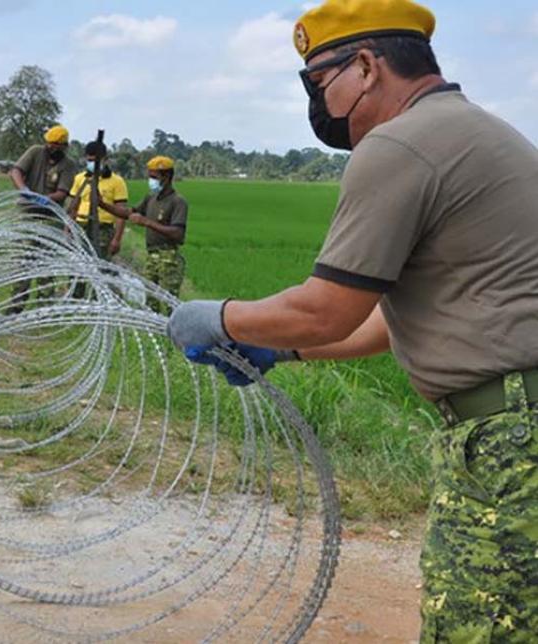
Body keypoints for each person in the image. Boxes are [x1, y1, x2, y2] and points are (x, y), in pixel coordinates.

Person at [166, 1, 538, 641]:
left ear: (365, 66)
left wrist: (220, 319)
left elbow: (326, 308)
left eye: (319, 83)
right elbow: (394, 322)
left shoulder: (400, 144)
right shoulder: (478, 132)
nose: (317, 104)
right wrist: (280, 353)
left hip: (511, 441)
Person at [97, 156, 189, 313]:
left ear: (166, 177)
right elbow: (128, 213)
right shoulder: (151, 198)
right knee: (150, 301)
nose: (151, 181)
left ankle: (172, 334)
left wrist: (146, 222)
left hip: (168, 258)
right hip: (151, 256)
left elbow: (178, 234)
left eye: (154, 177)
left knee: (169, 302)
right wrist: (103, 204)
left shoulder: (177, 202)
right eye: (150, 177)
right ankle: (156, 333)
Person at [8, 124, 77, 313]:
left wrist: (44, 199)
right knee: (23, 260)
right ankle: (16, 306)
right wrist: (24, 190)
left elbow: (62, 193)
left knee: (46, 262)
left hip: (49, 217)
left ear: (64, 146)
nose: (51, 148)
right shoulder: (35, 152)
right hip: (27, 214)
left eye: (56, 145)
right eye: (49, 144)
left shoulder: (68, 165)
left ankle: (43, 309)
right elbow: (15, 171)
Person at [67, 141, 127, 260]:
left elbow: (121, 213)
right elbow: (73, 207)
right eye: (89, 160)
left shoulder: (117, 181)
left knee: (101, 265)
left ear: (105, 159)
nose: (92, 164)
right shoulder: (80, 179)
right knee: (78, 265)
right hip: (81, 227)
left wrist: (117, 239)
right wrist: (68, 230)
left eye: (95, 161)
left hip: (103, 230)